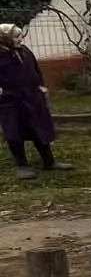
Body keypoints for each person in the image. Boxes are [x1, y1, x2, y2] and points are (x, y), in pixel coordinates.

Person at [0, 23, 70, 180]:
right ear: (5, 39)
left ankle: (49, 161)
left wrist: (40, 86)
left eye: (20, 36)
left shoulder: (25, 52)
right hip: (10, 101)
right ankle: (22, 165)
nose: (21, 39)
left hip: (32, 97)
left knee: (40, 128)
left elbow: (34, 69)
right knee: (14, 132)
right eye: (16, 37)